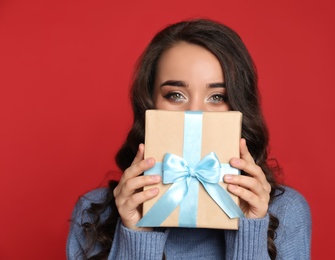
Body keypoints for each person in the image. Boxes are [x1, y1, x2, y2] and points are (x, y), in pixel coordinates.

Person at [67, 19, 311, 259]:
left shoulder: (286, 211)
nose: (196, 113)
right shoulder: (93, 214)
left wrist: (251, 232)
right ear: (149, 104)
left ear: (240, 107)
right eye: (175, 95)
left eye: (217, 97)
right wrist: (136, 234)